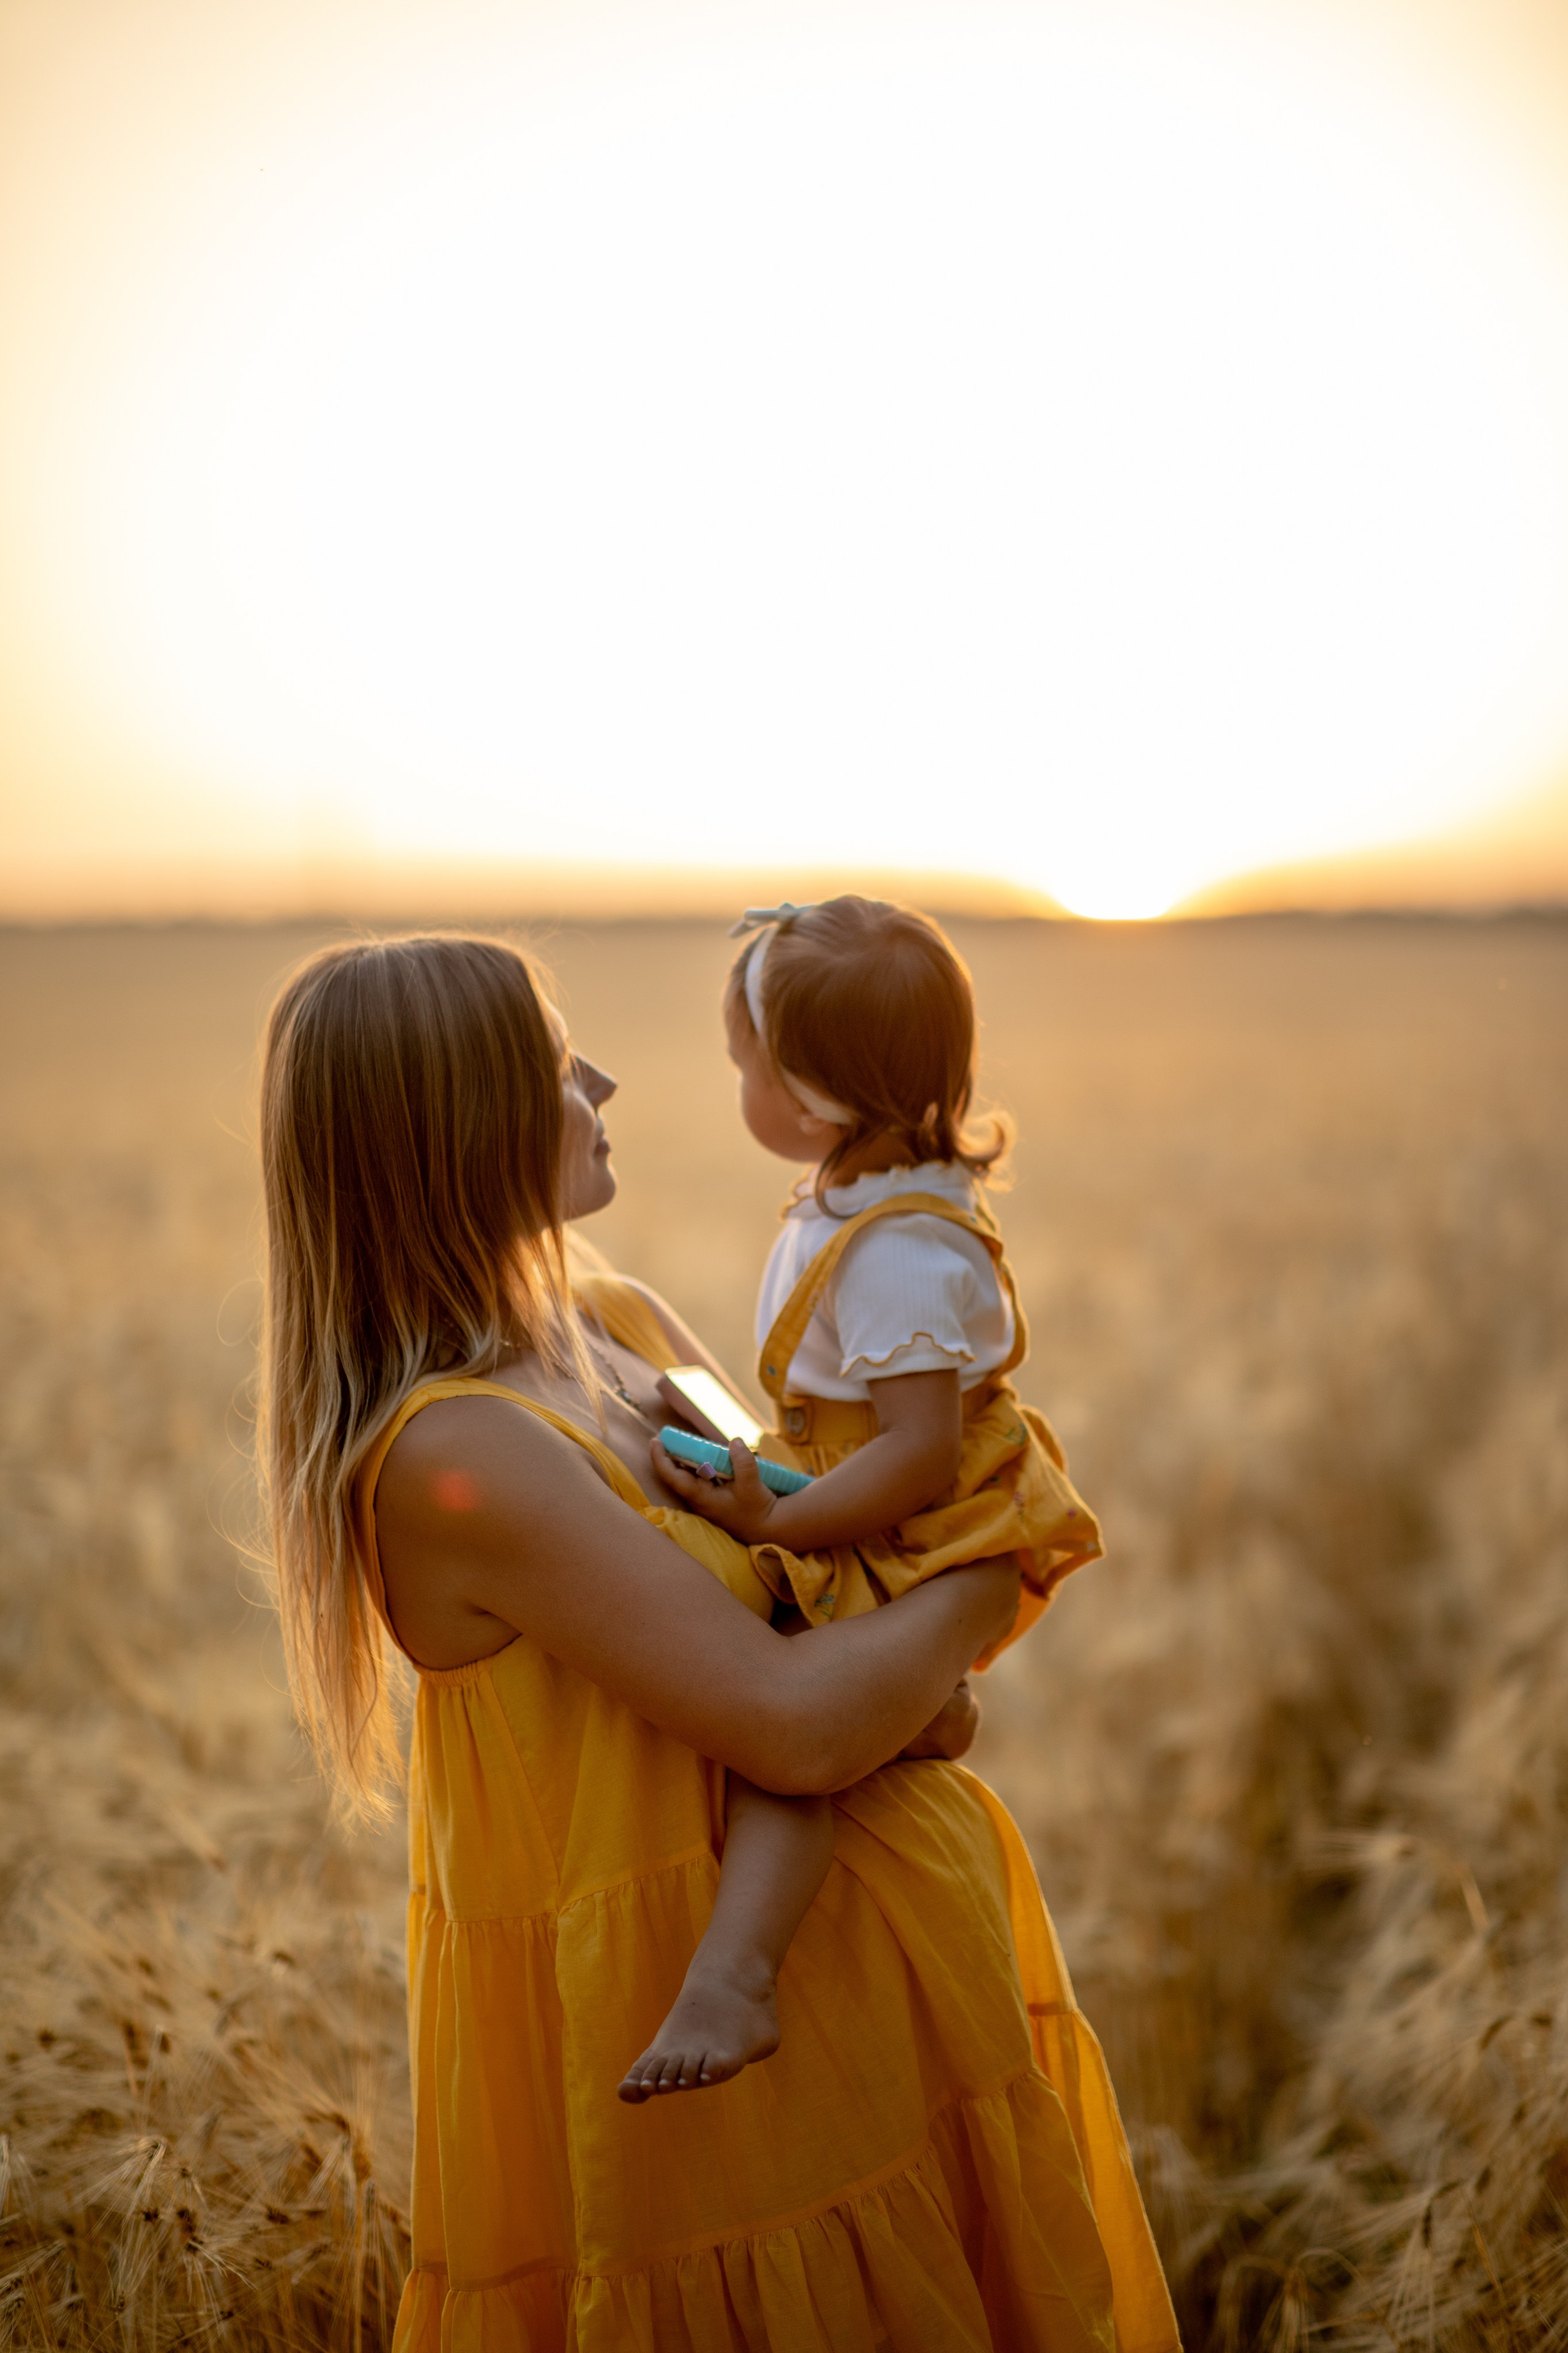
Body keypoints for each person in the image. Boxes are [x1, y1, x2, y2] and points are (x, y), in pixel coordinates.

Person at [259, 931, 1178, 2352]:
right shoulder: (457, 1454)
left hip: (889, 2021)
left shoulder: (613, 1320)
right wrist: (998, 1573)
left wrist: (909, 1641)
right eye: (560, 1063)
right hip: (716, 2124)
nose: (603, 1080)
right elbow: (808, 1717)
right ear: (460, 1117)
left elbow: (853, 1614)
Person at [624, 896, 1106, 2107]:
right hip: (865, 1484)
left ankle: (736, 1973)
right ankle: (920, 1711)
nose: (732, 1083)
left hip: (903, 1515)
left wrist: (779, 1518)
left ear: (815, 1099)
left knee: (783, 1728)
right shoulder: (860, 1190)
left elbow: (916, 1456)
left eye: (744, 1063)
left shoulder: (895, 1255)